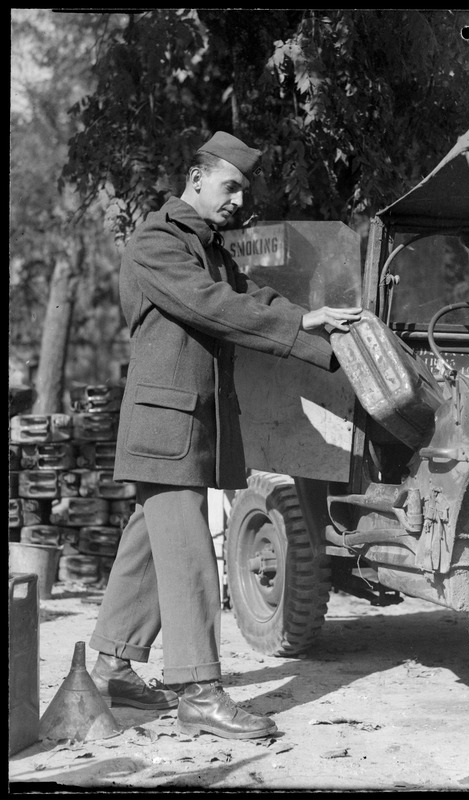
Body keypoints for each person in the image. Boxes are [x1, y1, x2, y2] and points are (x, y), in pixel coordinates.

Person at [88, 131, 362, 740]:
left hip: (189, 423)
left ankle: (111, 664)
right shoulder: (157, 241)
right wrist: (298, 329)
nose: (238, 199)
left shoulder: (208, 245)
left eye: (243, 189)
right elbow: (213, 306)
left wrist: (309, 319)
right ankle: (198, 690)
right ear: (196, 178)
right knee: (187, 555)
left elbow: (246, 294)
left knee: (149, 544)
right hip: (167, 423)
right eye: (230, 185)